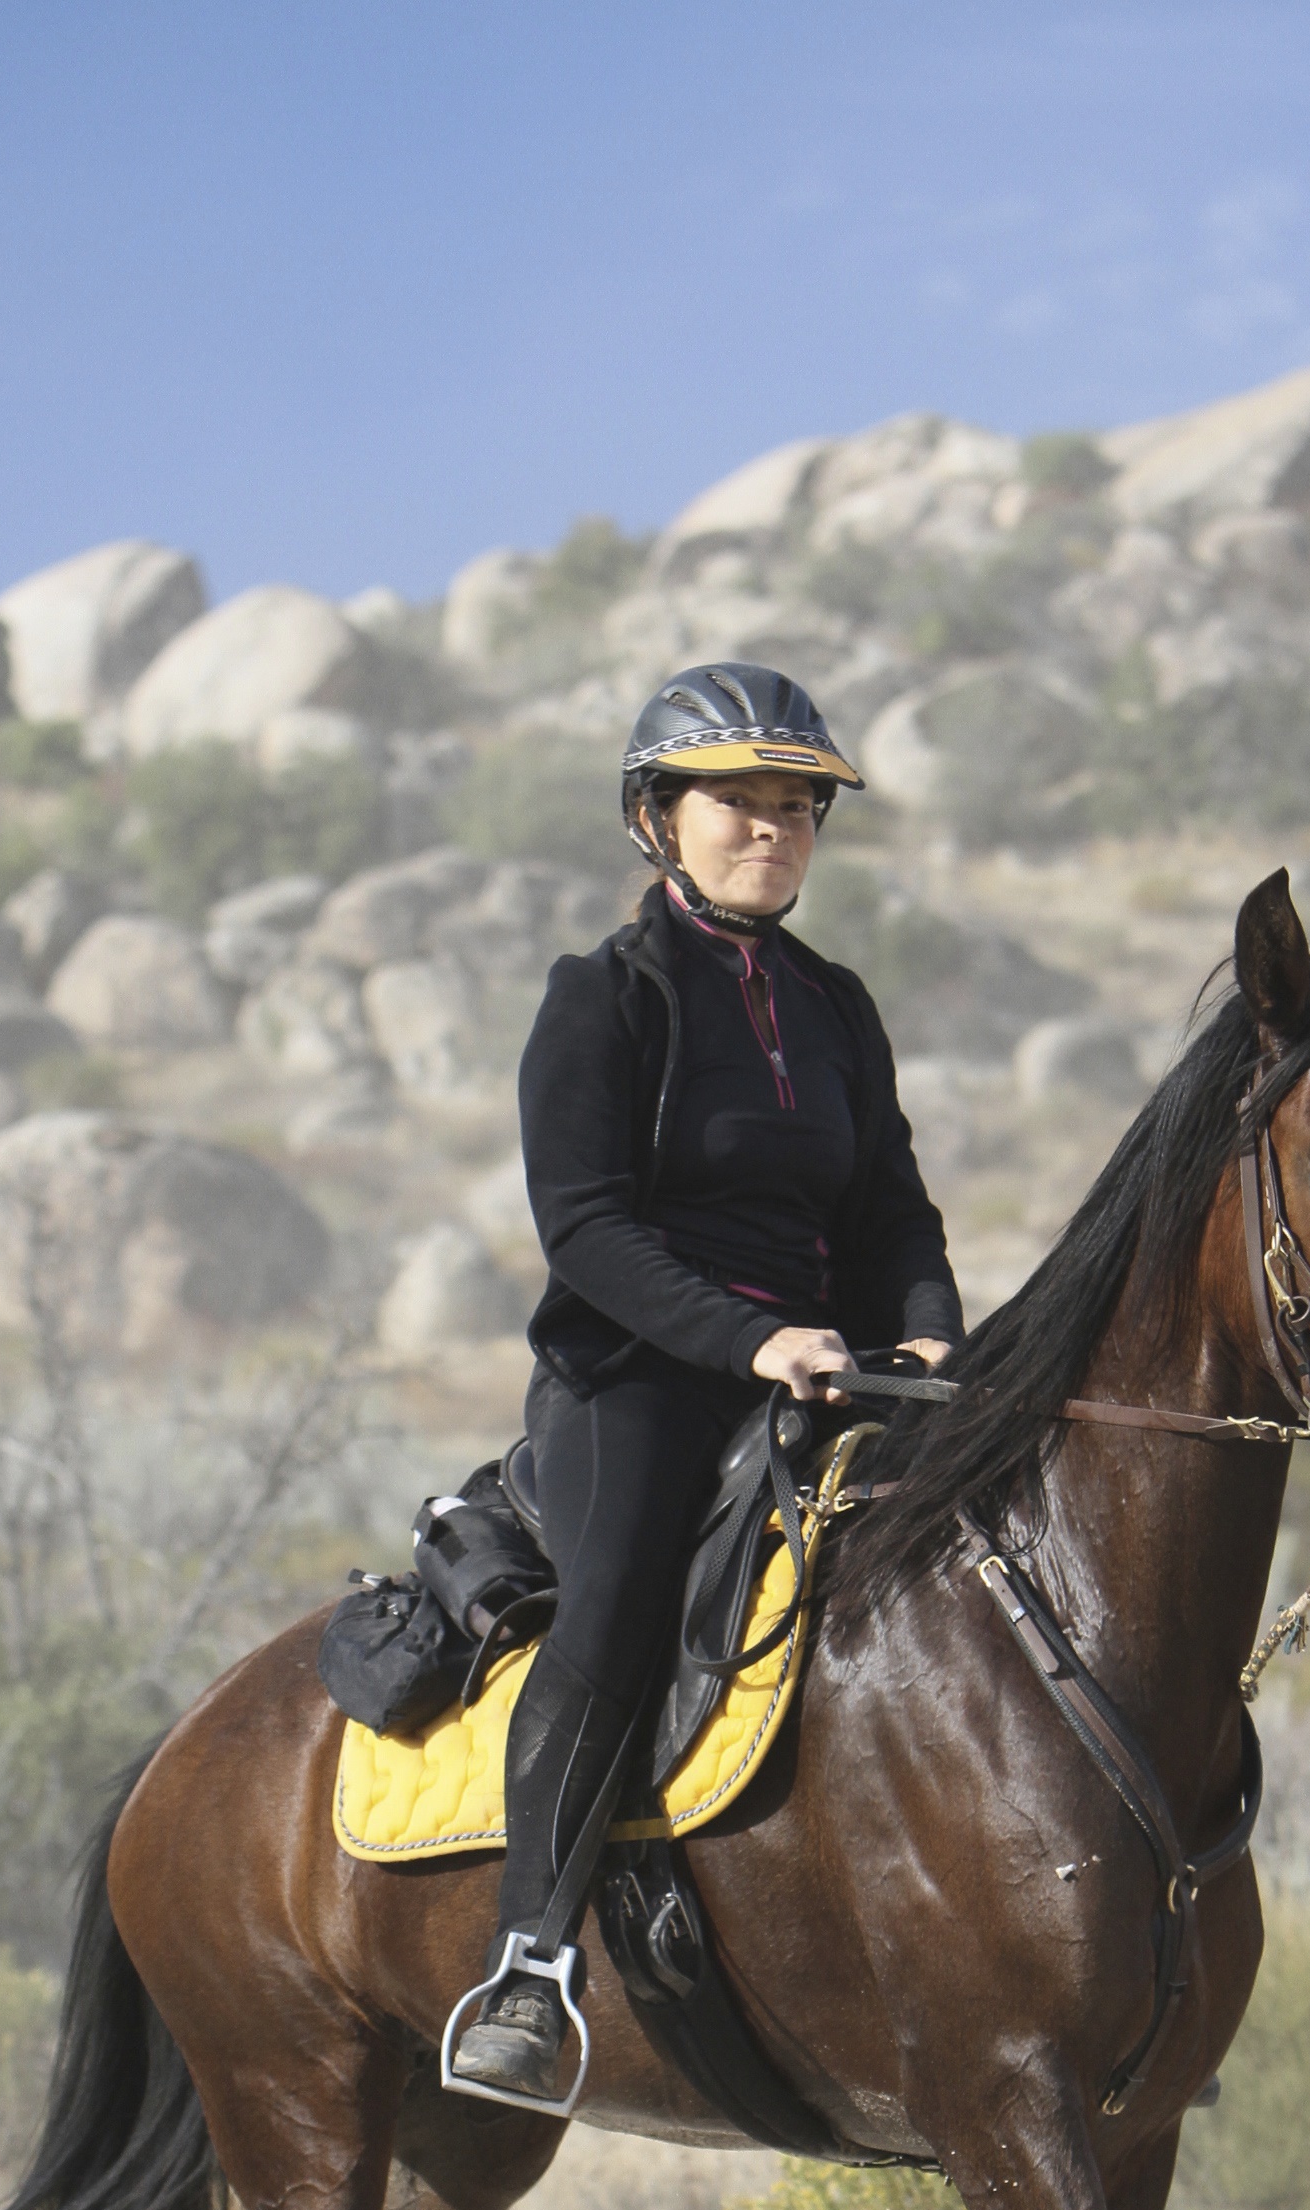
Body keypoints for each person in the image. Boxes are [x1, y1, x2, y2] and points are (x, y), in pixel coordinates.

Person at [446, 661, 964, 2103]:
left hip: (824, 1371)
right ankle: (532, 1966)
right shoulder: (605, 999)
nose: (774, 828)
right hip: (641, 1376)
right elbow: (586, 1230)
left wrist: (926, 1336)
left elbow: (891, 1215)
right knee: (612, 1609)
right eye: (738, 801)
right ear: (655, 819)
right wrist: (750, 1339)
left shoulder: (838, 1007)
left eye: (797, 805)